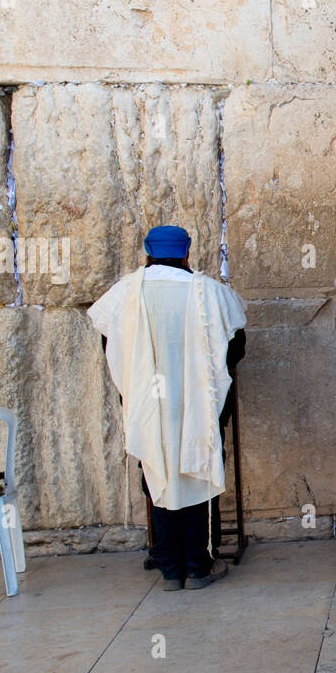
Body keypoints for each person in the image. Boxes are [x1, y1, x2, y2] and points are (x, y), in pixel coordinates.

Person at [88, 225, 247, 590]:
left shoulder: (126, 292)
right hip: (198, 405)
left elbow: (108, 344)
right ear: (186, 252)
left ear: (147, 251)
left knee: (156, 471)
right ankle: (197, 564)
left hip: (149, 404)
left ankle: (169, 565)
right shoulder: (210, 292)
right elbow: (236, 347)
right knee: (197, 469)